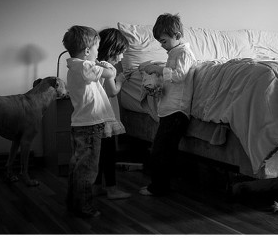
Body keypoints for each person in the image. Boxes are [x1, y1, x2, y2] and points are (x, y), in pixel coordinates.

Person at [62, 25, 118, 218]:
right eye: (96, 49)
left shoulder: (76, 67)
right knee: (87, 169)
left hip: (80, 124)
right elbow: (110, 74)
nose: (97, 53)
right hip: (90, 126)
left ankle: (73, 202)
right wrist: (107, 66)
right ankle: (84, 207)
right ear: (87, 51)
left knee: (78, 166)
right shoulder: (85, 66)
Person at [138, 13, 197, 196]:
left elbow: (179, 75)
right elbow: (171, 78)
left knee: (161, 151)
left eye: (164, 41)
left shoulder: (184, 53)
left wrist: (158, 69)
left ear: (177, 36)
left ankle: (158, 187)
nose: (162, 45)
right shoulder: (174, 53)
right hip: (169, 110)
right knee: (162, 150)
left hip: (177, 111)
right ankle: (160, 185)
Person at [93, 28, 131, 200]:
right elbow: (112, 91)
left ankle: (96, 186)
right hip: (106, 117)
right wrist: (120, 80)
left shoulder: (94, 66)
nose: (122, 57)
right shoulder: (108, 68)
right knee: (109, 153)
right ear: (112, 51)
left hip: (95, 117)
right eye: (121, 53)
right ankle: (112, 188)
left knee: (98, 153)